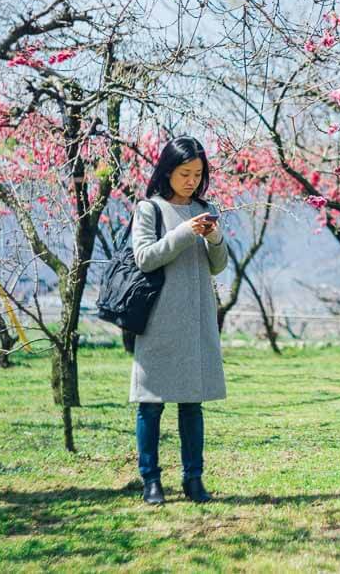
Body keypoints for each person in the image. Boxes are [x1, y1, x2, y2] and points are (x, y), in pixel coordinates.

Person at [130, 136, 227, 505]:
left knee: (192, 403)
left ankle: (194, 478)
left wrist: (214, 236)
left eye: (198, 174)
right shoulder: (149, 210)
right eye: (184, 173)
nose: (191, 180)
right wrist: (185, 233)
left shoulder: (206, 208)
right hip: (158, 319)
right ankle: (150, 479)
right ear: (167, 171)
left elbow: (218, 265)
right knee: (151, 403)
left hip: (198, 318)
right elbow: (145, 258)